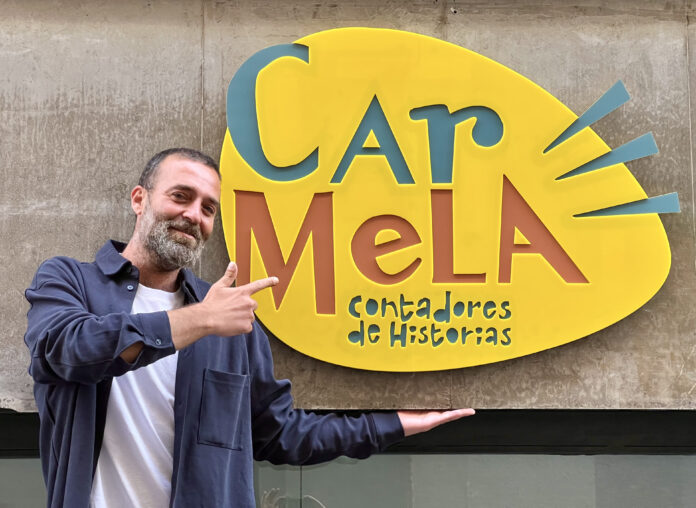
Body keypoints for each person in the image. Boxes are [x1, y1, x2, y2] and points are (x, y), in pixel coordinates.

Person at [24, 148, 475, 508]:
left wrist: (392, 424)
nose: (194, 215)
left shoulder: (235, 321)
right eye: (180, 196)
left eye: (208, 208)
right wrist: (203, 319)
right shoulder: (70, 281)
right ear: (139, 199)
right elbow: (66, 350)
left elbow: (280, 434)